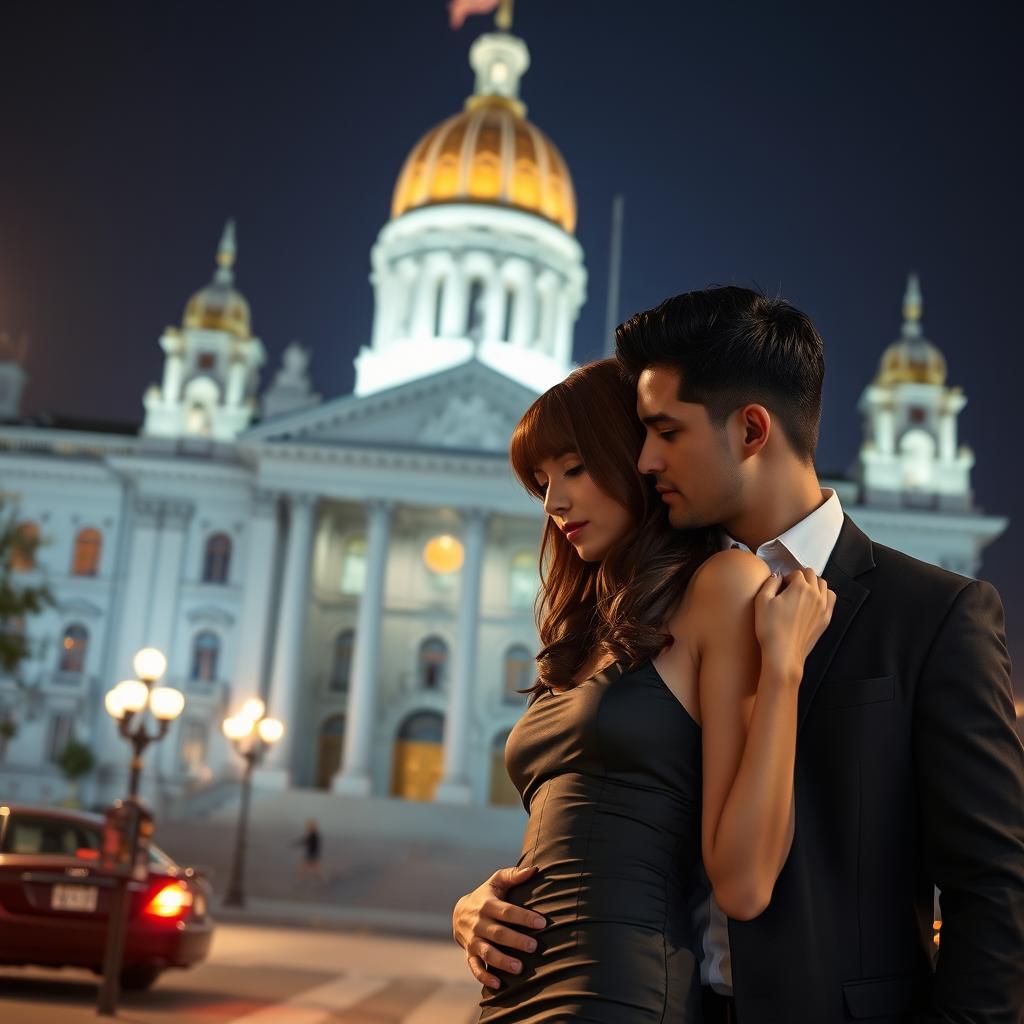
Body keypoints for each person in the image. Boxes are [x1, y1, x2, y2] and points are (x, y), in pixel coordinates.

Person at [455, 287, 1024, 1024]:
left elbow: (993, 886)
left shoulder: (934, 616)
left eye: (663, 432)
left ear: (751, 430)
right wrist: (484, 900)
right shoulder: (655, 605)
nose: (645, 457)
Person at [468, 357, 834, 1022]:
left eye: (573, 468)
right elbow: (574, 821)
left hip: (615, 990)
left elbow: (745, 883)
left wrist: (782, 668)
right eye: (542, 482)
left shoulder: (722, 586)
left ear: (634, 456)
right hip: (510, 988)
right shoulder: (581, 632)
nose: (553, 502)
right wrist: (476, 904)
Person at [293, 818, 323, 883]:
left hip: (311, 854)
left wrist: (295, 844)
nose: (307, 827)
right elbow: (305, 841)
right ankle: (320, 879)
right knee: (313, 868)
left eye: (309, 826)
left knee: (303, 867)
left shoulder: (313, 835)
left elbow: (305, 841)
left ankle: (300, 880)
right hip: (312, 854)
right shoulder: (313, 834)